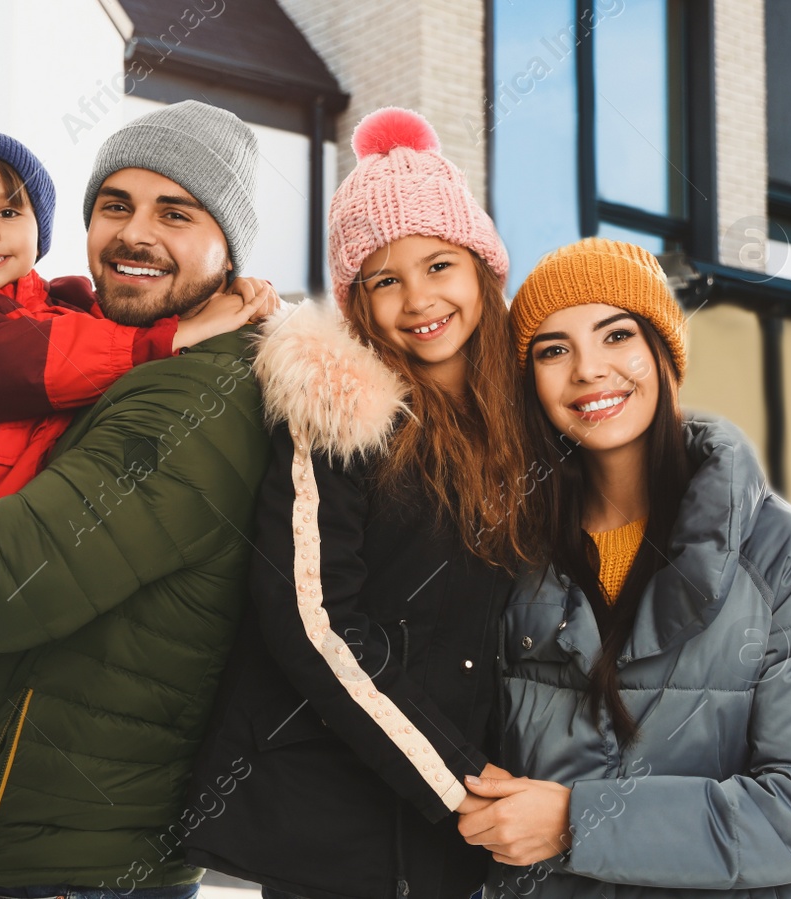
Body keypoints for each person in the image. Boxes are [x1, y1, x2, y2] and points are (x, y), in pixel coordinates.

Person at [0, 100, 275, 897]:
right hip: (12, 847)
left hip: (74, 868)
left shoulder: (190, 393)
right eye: (115, 205)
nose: (135, 234)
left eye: (175, 212)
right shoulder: (90, 344)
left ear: (228, 248)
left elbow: (5, 583)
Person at [184, 107, 538, 899]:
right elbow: (311, 618)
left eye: (439, 264)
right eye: (385, 279)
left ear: (480, 267)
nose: (419, 299)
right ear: (359, 300)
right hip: (334, 828)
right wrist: (458, 782)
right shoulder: (339, 414)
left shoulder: (526, 422)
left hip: (468, 838)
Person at [460, 237, 791, 898]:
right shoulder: (513, 559)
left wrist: (578, 822)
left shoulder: (782, 558)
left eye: (616, 334)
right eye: (553, 349)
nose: (589, 369)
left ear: (663, 350)